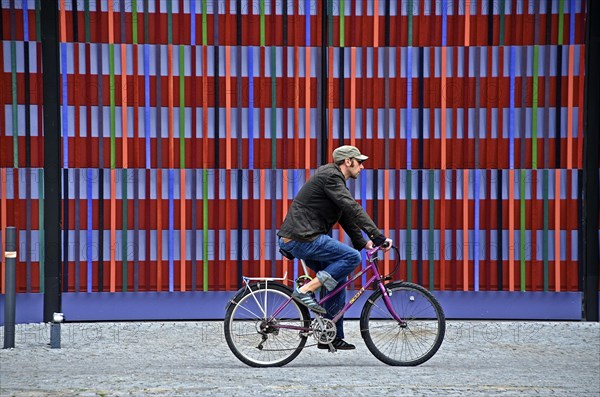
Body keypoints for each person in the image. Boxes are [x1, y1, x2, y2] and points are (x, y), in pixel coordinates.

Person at [277, 145, 392, 350]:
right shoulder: (331, 177)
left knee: (339, 276)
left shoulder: (334, 181)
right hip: (301, 238)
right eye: (360, 162)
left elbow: (347, 217)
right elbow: (352, 207)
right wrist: (378, 235)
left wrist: (366, 242)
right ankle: (304, 291)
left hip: (304, 237)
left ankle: (330, 336)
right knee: (351, 258)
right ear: (348, 161)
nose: (362, 167)